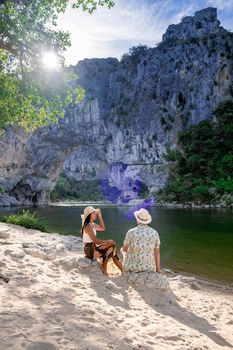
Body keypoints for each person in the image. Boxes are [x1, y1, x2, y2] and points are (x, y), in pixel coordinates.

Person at [81, 206, 123, 275]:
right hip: (89, 249)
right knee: (111, 245)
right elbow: (95, 241)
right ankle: (119, 268)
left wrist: (100, 216)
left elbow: (102, 228)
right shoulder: (88, 226)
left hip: (94, 247)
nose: (96, 214)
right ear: (90, 215)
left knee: (111, 247)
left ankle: (106, 266)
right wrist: (108, 241)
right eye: (94, 213)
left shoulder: (92, 225)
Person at [122, 208, 161, 274]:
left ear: (137, 219)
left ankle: (125, 267)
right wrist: (157, 269)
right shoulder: (154, 232)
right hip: (150, 268)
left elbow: (124, 249)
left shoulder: (131, 232)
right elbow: (157, 253)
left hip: (133, 267)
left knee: (122, 250)